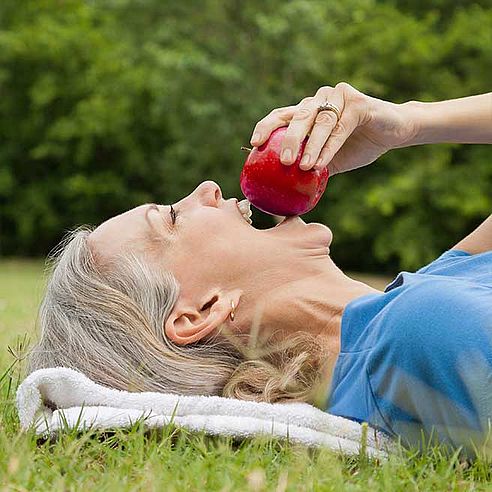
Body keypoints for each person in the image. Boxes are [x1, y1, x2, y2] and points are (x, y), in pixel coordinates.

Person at [29, 83, 491, 455]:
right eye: (171, 217)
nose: (207, 187)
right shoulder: (422, 330)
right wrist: (415, 124)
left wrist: (404, 124)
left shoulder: (431, 291)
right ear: (199, 312)